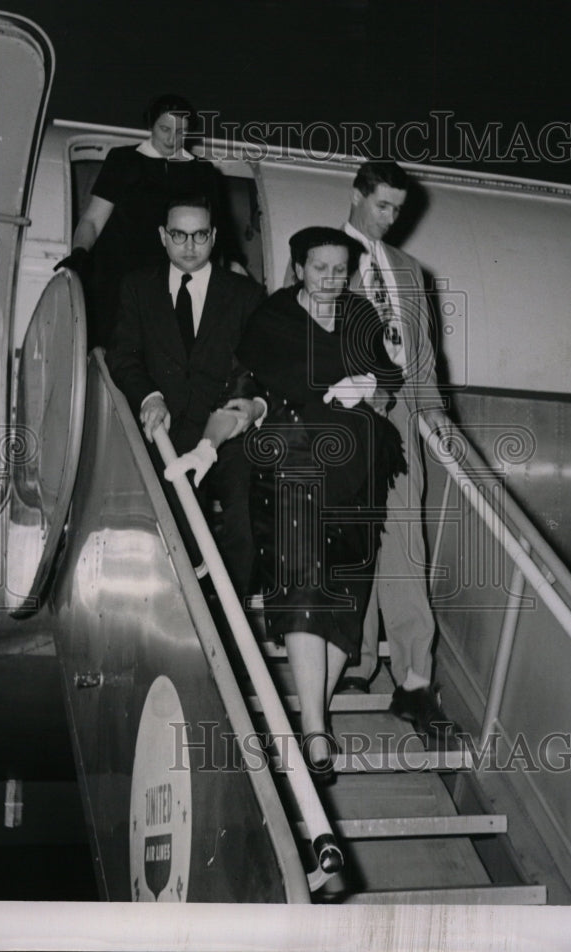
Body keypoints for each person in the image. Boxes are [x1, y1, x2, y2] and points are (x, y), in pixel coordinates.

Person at [167, 227, 406, 781]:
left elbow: (389, 383)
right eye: (320, 268)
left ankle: (312, 716)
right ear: (298, 268)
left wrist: (371, 389)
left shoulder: (360, 318)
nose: (331, 279)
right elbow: (245, 398)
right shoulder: (272, 320)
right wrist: (207, 445)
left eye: (340, 269)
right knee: (303, 583)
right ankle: (317, 733)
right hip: (295, 460)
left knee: (347, 595)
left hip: (359, 470)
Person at [340, 159, 460, 744]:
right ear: (357, 195)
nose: (390, 218)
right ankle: (356, 663)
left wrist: (433, 413)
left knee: (405, 548)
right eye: (382, 205)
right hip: (345, 422)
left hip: (403, 422)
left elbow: (423, 359)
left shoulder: (411, 272)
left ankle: (414, 680)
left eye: (397, 209)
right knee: (350, 543)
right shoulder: (323, 258)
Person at [104, 195, 265, 600]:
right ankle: (186, 609)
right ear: (163, 236)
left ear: (213, 237)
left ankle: (234, 619)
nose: (189, 245)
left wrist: (231, 417)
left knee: (245, 519)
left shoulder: (245, 294)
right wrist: (149, 397)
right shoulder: (137, 288)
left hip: (226, 436)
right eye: (179, 234)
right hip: (167, 430)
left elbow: (254, 366)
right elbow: (123, 357)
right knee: (170, 526)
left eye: (199, 235)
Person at [55, 93, 244, 349]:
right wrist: (79, 253)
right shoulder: (123, 160)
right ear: (150, 126)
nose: (171, 139)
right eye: (164, 129)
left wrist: (239, 278)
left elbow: (220, 235)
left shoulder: (202, 172)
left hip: (172, 280)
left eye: (181, 131)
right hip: (119, 278)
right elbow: (92, 220)